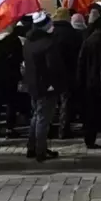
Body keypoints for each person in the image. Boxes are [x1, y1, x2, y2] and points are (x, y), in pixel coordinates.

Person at [23, 12, 66, 162]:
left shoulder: (29, 41)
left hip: (33, 84)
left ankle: (32, 147)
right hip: (47, 86)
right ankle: (40, 151)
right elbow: (53, 67)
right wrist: (54, 84)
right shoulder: (48, 43)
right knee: (43, 119)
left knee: (36, 116)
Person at [77, 17, 101, 149]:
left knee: (91, 113)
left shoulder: (88, 41)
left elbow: (81, 63)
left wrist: (80, 81)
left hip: (90, 82)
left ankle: (90, 140)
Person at [51, 8, 83, 139]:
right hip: (69, 72)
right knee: (66, 102)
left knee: (51, 102)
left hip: (52, 72)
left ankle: (48, 129)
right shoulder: (73, 34)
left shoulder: (50, 32)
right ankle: (63, 129)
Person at [0, 25, 23, 138]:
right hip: (12, 75)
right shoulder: (14, 40)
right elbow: (20, 57)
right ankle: (10, 128)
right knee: (11, 102)